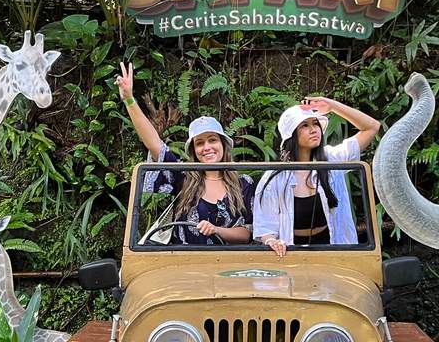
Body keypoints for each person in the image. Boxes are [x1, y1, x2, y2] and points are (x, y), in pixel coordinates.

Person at [115, 60, 253, 246]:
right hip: (183, 260)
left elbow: (247, 233)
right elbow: (154, 143)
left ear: (223, 144)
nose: (207, 147)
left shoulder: (243, 183)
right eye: (200, 143)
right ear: (194, 150)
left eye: (212, 140)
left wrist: (217, 230)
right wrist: (129, 99)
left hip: (229, 261)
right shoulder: (185, 177)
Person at [253, 97, 380, 257]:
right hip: (291, 253)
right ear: (292, 134)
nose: (313, 130)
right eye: (305, 125)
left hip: (334, 248)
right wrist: (272, 241)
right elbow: (265, 226)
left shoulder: (332, 159)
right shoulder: (275, 177)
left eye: (315, 124)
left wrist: (332, 106)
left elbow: (372, 127)